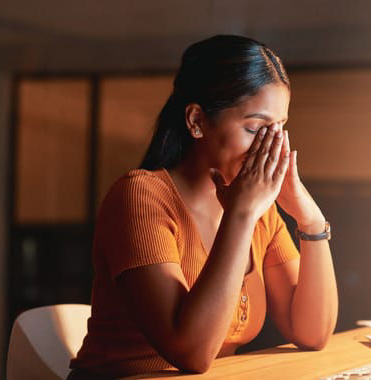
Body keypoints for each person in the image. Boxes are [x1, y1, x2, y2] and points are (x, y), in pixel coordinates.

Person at [68, 35, 338, 379]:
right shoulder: (140, 197)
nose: (271, 147)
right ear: (196, 121)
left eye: (280, 129)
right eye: (256, 128)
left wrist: (310, 219)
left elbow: (312, 334)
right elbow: (191, 353)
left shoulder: (261, 213)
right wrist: (241, 214)